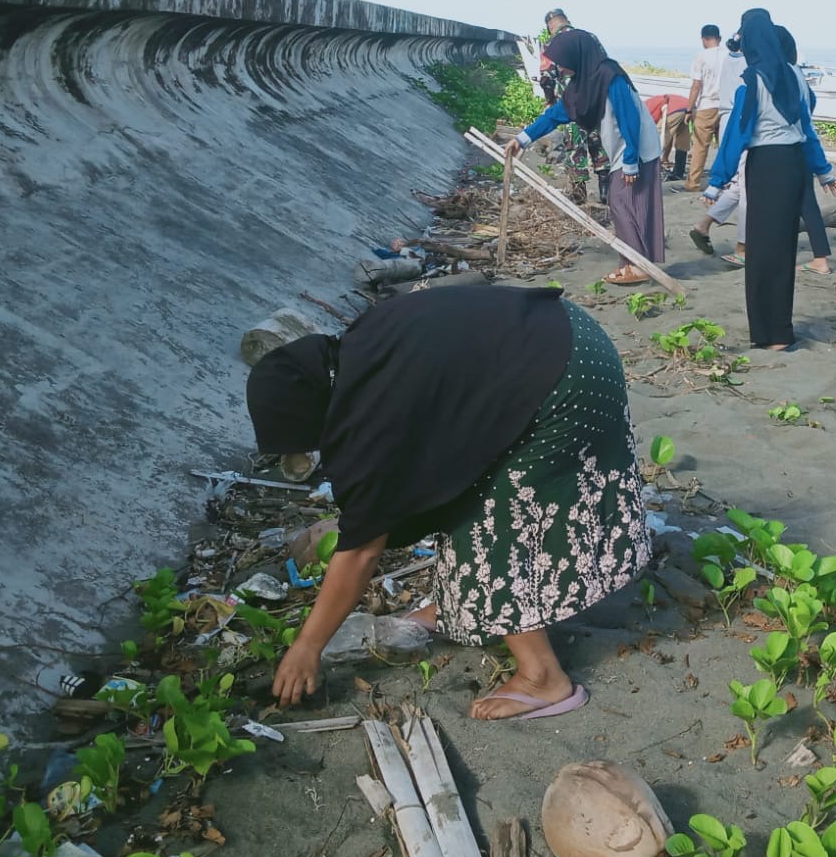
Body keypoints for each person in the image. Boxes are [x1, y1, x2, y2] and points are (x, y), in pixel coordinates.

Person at [254, 285, 653, 720]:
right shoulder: (363, 352)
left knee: (482, 515)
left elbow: (362, 551)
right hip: (569, 333)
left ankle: (544, 677)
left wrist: (307, 646)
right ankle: (460, 604)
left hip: (565, 380)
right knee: (455, 474)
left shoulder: (371, 416)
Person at [705, 9, 836, 349]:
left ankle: (768, 336)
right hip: (794, 164)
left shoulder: (752, 82)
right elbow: (807, 130)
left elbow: (737, 133)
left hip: (766, 165)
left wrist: (716, 181)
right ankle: (781, 331)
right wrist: (823, 171)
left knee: (762, 253)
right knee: (783, 251)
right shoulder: (796, 77)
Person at [511, 29, 664, 285]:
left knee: (621, 202)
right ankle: (629, 264)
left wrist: (630, 160)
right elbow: (556, 114)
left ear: (576, 55)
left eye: (562, 61)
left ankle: (637, 265)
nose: (560, 68)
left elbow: (630, 118)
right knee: (626, 204)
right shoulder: (583, 83)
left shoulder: (609, 75)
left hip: (636, 148)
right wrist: (522, 138)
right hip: (622, 149)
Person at [537, 9, 611, 205]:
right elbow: (606, 67)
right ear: (567, 21)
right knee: (599, 143)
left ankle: (579, 194)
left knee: (575, 148)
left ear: (550, 26)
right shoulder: (590, 38)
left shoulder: (552, 44)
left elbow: (546, 79)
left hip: (571, 106)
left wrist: (550, 100)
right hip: (596, 102)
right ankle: (606, 192)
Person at [685, 25, 724, 191]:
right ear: (719, 38)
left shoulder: (701, 57)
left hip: (706, 105)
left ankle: (693, 183)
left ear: (703, 39)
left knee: (700, 147)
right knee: (725, 146)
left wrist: (689, 109)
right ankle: (725, 181)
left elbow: (696, 85)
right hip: (726, 106)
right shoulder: (729, 55)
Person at [644, 92, 692, 181]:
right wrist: (665, 157)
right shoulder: (648, 103)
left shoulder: (642, 110)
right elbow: (668, 136)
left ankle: (651, 171)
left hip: (673, 109)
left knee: (656, 140)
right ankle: (678, 173)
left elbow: (658, 135)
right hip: (689, 107)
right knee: (682, 141)